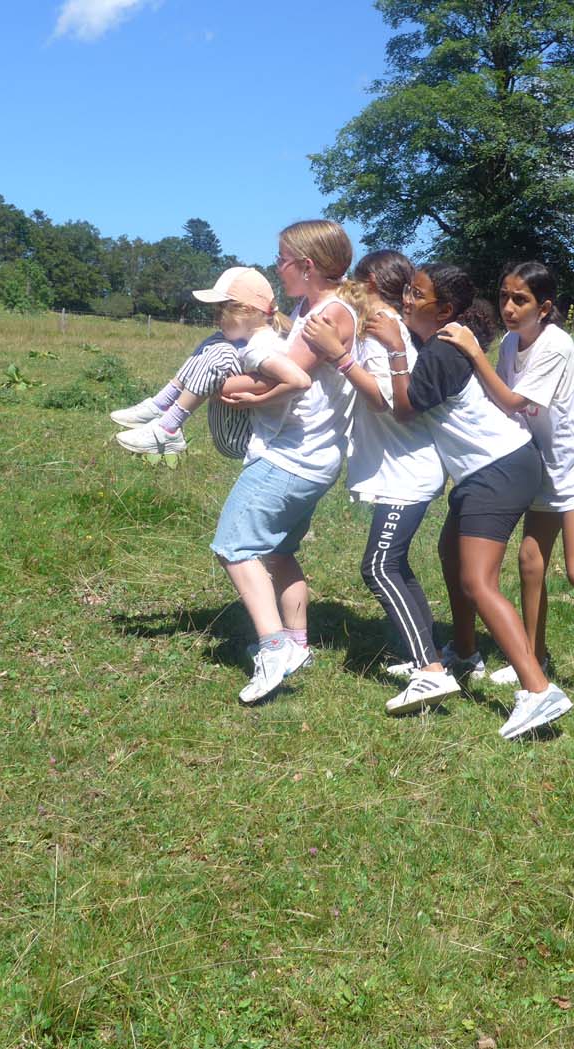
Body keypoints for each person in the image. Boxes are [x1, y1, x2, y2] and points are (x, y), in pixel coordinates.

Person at [359, 263, 573, 740]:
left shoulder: (443, 350)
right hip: (489, 470)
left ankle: (538, 690)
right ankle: (464, 652)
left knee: (478, 581)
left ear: (446, 310)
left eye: (418, 295)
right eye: (407, 291)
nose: (407, 300)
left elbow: (405, 407)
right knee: (450, 554)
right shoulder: (441, 342)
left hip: (498, 469)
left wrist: (395, 350)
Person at [438, 261, 574, 723]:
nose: (509, 308)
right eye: (504, 297)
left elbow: (513, 400)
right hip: (542, 467)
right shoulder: (510, 344)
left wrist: (474, 352)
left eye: (521, 300)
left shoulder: (556, 344)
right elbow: (499, 403)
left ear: (544, 307)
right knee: (530, 562)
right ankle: (534, 658)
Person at [210, 221, 358, 704]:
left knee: (234, 546)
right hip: (311, 455)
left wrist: (217, 384)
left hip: (291, 456)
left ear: (307, 265)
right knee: (277, 551)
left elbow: (277, 377)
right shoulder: (312, 309)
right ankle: (296, 644)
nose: (277, 268)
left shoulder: (326, 316)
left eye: (282, 260)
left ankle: (273, 650)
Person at [302, 251, 455, 715]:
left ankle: (430, 670)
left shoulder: (382, 328)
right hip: (403, 469)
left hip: (407, 473)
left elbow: (384, 401)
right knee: (395, 565)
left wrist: (339, 356)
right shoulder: (383, 325)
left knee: (379, 567)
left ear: (371, 284)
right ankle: (429, 655)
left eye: (356, 279)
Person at [110, 267, 307, 457]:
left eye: (220, 312)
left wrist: (256, 400)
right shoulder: (256, 339)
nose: (215, 319)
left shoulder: (260, 348)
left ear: (246, 310)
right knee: (217, 340)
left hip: (249, 438)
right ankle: (160, 405)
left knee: (222, 352)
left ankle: (168, 428)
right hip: (241, 432)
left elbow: (300, 382)